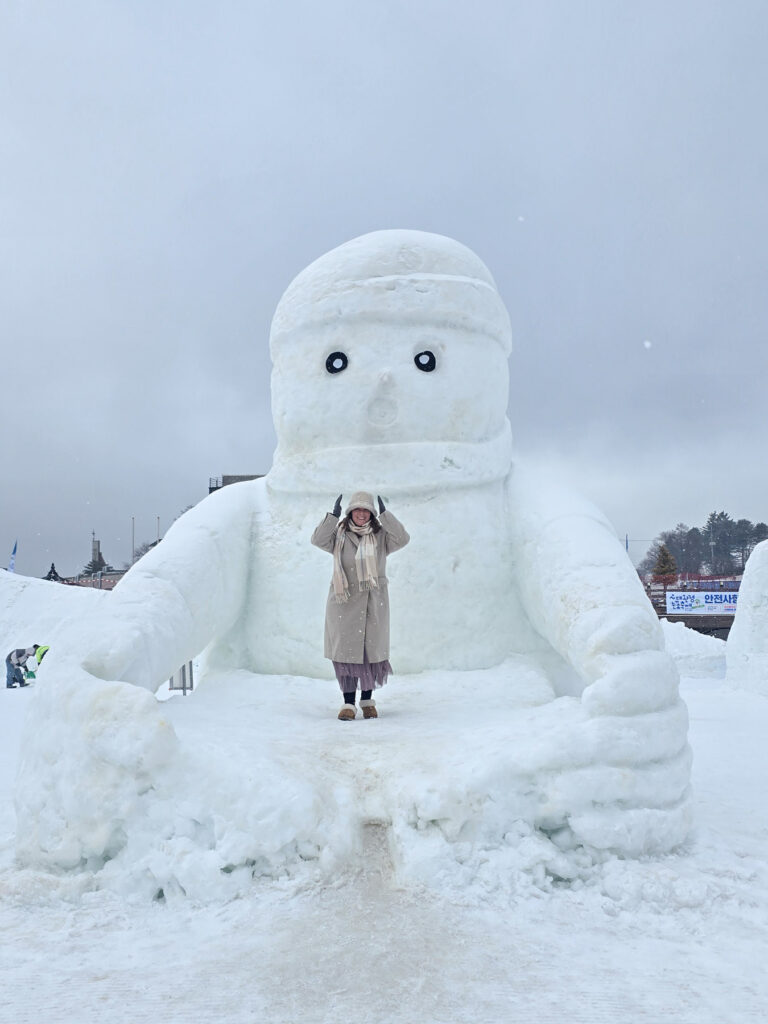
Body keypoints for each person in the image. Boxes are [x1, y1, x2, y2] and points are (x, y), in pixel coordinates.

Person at [311, 491, 409, 720]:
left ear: (372, 514)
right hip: (343, 601)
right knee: (346, 654)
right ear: (350, 512)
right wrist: (332, 518)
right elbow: (317, 540)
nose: (362, 514)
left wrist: (386, 516)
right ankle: (348, 704)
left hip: (373, 601)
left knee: (370, 652)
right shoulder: (339, 535)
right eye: (357, 509)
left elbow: (403, 539)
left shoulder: (382, 536)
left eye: (366, 510)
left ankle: (367, 700)